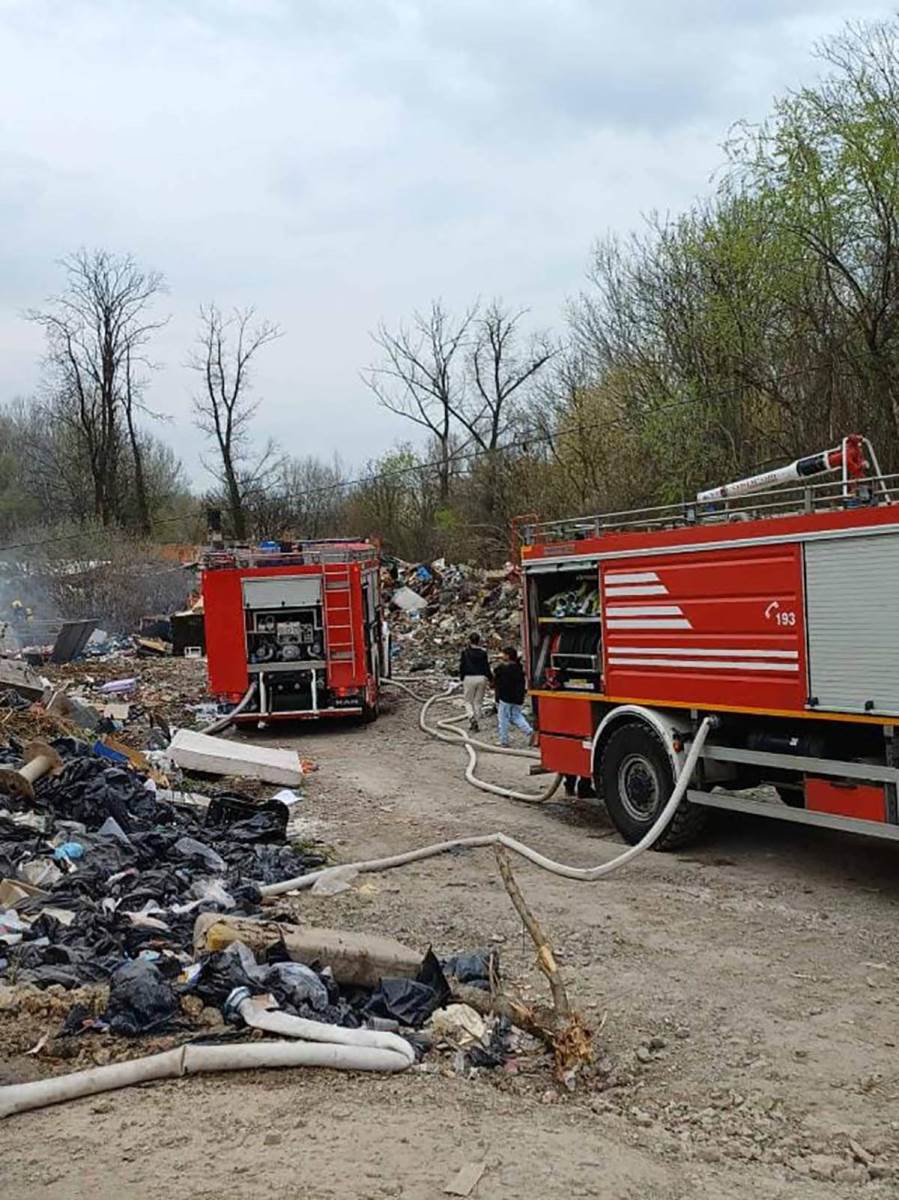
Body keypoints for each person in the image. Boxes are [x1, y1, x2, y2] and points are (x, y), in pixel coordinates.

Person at [493, 645, 534, 747]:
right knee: (516, 716)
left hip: (505, 698)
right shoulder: (518, 668)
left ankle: (504, 740)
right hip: (518, 698)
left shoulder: (504, 669)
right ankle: (530, 732)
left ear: (507, 656)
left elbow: (496, 674)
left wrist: (500, 661)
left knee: (503, 719)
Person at [459, 632, 492, 731]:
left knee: (468, 701)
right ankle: (476, 720)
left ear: (469, 640)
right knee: (478, 702)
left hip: (469, 677)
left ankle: (471, 717)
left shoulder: (465, 653)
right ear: (479, 641)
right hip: (482, 678)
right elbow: (486, 667)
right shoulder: (483, 653)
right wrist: (491, 679)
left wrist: (462, 677)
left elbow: (462, 666)